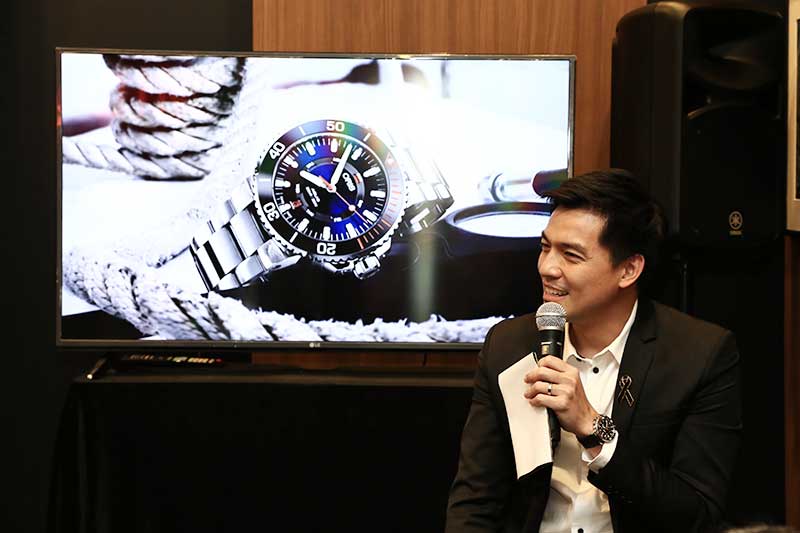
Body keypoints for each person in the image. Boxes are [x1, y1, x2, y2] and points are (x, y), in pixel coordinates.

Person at [445, 169, 742, 532]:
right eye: (545, 247)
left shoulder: (698, 355)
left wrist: (593, 428)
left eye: (571, 255)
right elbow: (475, 500)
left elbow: (697, 515)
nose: (547, 268)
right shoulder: (509, 345)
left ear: (628, 269)